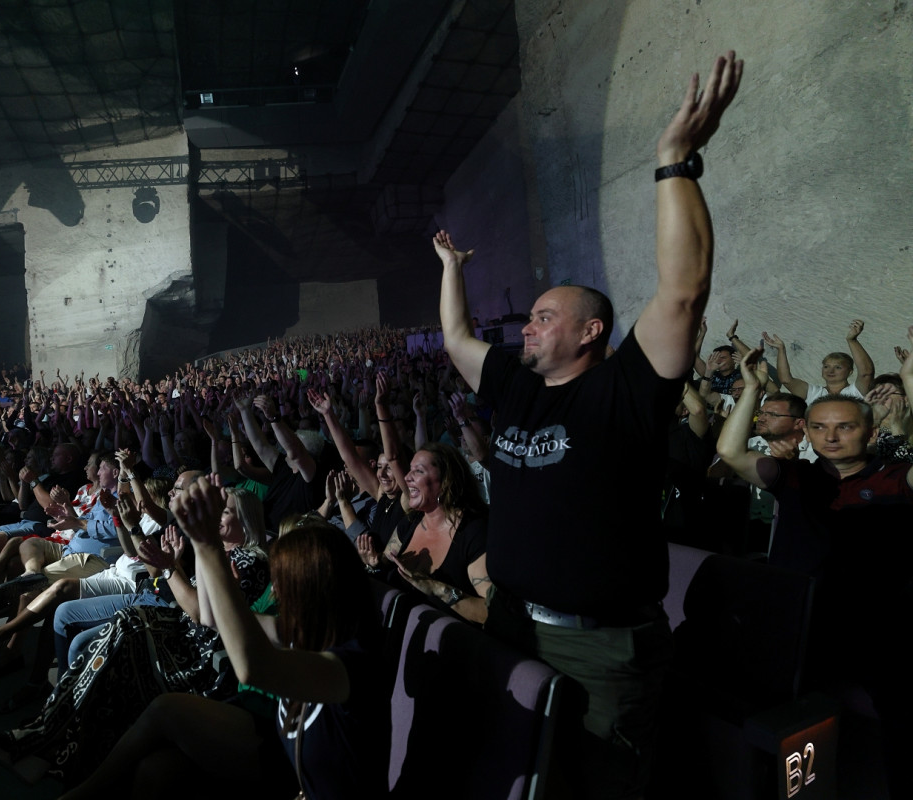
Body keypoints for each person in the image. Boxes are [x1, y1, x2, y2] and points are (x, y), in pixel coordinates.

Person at [434, 51, 743, 798]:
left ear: (591, 331)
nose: (527, 328)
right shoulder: (514, 386)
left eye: (545, 317)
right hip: (511, 624)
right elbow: (454, 341)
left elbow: (683, 291)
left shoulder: (626, 393)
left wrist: (674, 163)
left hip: (599, 648)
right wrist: (453, 267)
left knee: (596, 787)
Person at [53, 485, 389, 800]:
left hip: (282, 766)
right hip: (262, 731)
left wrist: (208, 544)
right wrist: (202, 544)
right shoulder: (302, 630)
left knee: (165, 708)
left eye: (283, 581)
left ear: (313, 588)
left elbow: (251, 666)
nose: (277, 591)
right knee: (154, 771)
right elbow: (215, 619)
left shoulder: (350, 663)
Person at [715, 339, 913, 795]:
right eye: (821, 427)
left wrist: (908, 383)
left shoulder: (894, 480)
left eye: (845, 427)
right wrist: (750, 389)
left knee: (899, 716)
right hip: (800, 621)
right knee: (788, 721)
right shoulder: (797, 477)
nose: (832, 436)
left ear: (870, 433)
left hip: (874, 624)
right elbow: (731, 452)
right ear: (807, 431)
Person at [356, 442, 489, 624]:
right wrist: (373, 562)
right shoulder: (410, 521)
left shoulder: (473, 532)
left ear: (445, 482)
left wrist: (436, 588)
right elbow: (384, 562)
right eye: (409, 470)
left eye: (418, 471)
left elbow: (490, 612)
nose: (407, 477)